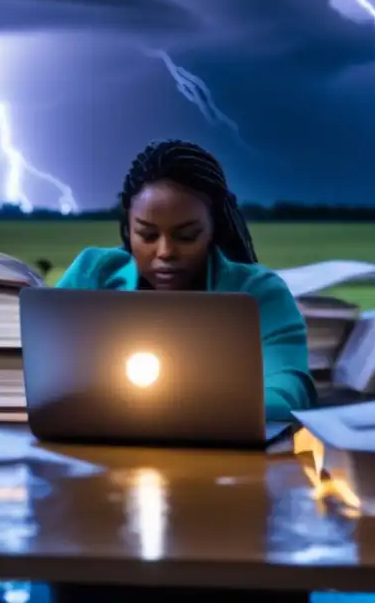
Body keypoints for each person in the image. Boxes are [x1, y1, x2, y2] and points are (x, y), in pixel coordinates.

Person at [56, 139, 316, 421]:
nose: (166, 252)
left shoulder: (259, 293)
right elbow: (47, 372)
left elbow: (289, 393)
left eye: (187, 235)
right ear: (127, 228)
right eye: (147, 235)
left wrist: (178, 405)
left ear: (214, 228)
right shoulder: (94, 273)